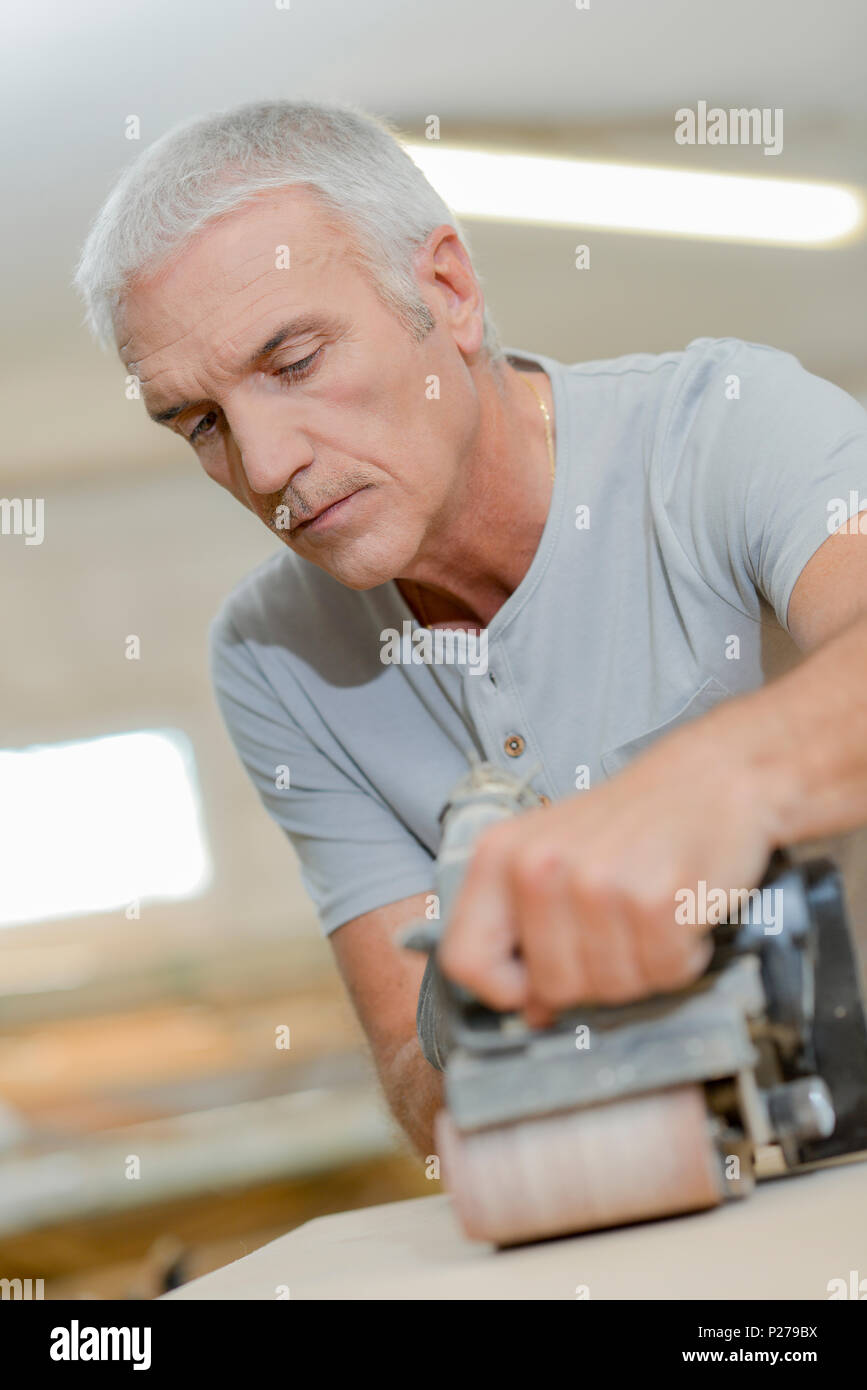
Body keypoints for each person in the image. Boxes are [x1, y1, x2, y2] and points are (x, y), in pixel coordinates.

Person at [74, 100, 867, 1156]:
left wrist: (703, 791)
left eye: (295, 361)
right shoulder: (274, 656)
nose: (265, 469)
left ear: (445, 291)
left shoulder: (722, 427)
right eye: (202, 424)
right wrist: (482, 1008)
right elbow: (417, 1090)